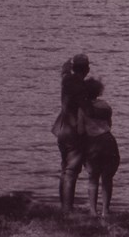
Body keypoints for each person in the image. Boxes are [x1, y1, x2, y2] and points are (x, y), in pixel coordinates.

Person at [51, 53, 90, 213]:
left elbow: (65, 70)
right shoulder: (80, 86)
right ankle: (67, 210)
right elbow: (86, 109)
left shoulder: (66, 80)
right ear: (86, 69)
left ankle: (63, 207)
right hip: (74, 131)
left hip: (62, 129)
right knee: (71, 171)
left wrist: (67, 64)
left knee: (64, 168)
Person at [79, 76, 120, 221]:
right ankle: (105, 211)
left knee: (93, 178)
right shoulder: (106, 106)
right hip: (108, 141)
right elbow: (110, 124)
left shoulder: (82, 109)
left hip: (92, 143)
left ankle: (92, 211)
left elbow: (80, 130)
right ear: (99, 92)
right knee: (107, 178)